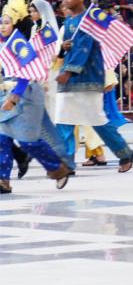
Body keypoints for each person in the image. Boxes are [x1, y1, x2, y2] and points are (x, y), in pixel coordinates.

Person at [53, 0, 133, 172]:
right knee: (62, 119)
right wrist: (62, 50)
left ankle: (125, 152)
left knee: (97, 121)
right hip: (70, 79)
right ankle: (65, 163)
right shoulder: (69, 21)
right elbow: (70, 47)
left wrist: (68, 71)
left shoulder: (88, 20)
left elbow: (83, 48)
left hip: (88, 78)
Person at [0, 11, 73, 193]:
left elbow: (26, 75)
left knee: (27, 141)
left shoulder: (19, 44)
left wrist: (13, 98)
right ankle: (3, 180)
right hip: (5, 96)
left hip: (27, 95)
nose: (2, 26)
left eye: (7, 22)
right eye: (1, 22)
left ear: (15, 25)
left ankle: (58, 169)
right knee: (2, 139)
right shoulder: (2, 44)